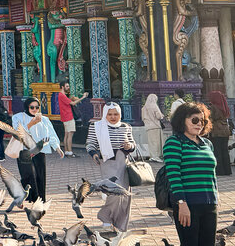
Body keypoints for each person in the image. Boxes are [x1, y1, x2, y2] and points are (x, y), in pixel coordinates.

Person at [164, 102, 218, 246]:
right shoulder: (174, 143)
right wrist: (181, 204)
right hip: (187, 206)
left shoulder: (206, 144)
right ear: (182, 121)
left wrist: (215, 200)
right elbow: (174, 175)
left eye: (202, 121)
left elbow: (212, 175)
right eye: (194, 120)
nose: (199, 124)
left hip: (209, 204)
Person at [86, 102, 136, 231]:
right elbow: (90, 143)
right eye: (110, 114)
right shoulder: (96, 126)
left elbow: (132, 143)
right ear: (105, 115)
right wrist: (94, 154)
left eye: (116, 114)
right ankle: (105, 216)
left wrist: (129, 146)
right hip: (107, 162)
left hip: (123, 162)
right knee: (114, 191)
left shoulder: (126, 126)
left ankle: (120, 223)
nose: (113, 117)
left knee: (125, 195)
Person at [11, 98, 62, 201]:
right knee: (27, 174)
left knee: (40, 174)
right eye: (32, 107)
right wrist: (32, 123)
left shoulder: (44, 119)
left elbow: (51, 133)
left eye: (37, 107)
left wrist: (57, 147)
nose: (34, 109)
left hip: (39, 150)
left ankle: (40, 199)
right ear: (27, 107)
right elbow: (18, 132)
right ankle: (30, 196)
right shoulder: (18, 117)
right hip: (24, 151)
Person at [57, 82, 90, 155]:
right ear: (62, 87)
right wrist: (83, 97)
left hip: (65, 116)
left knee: (67, 134)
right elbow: (73, 103)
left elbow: (69, 100)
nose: (68, 87)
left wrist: (73, 98)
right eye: (67, 86)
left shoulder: (61, 95)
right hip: (68, 116)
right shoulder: (62, 95)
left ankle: (66, 151)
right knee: (70, 134)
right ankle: (70, 151)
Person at [205, 91, 232, 176]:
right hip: (225, 130)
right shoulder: (224, 107)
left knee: (217, 151)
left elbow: (210, 118)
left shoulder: (213, 107)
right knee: (224, 151)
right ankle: (227, 170)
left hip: (216, 130)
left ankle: (219, 171)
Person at [140, 93, 165, 162]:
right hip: (155, 126)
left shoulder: (144, 108)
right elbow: (158, 116)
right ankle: (156, 156)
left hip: (148, 127)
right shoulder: (154, 106)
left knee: (151, 142)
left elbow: (143, 118)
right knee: (156, 143)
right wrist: (162, 116)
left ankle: (152, 156)